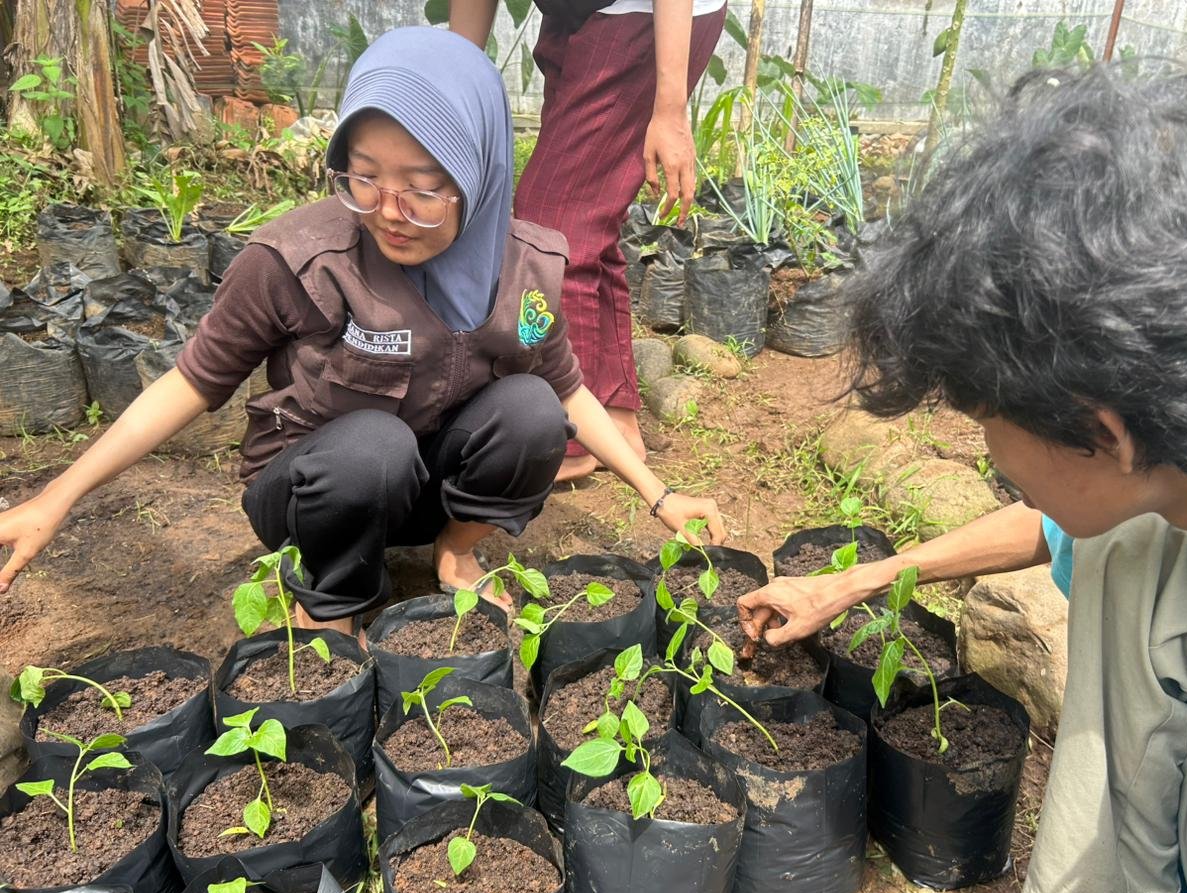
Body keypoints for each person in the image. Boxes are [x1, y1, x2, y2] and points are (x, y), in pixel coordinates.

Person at [738, 65, 1187, 893]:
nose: (991, 455)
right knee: (1132, 550)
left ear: (1099, 433)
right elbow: (1057, 525)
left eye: (986, 421)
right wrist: (853, 581)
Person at [0, 26, 724, 638]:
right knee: (373, 445)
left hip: (422, 488)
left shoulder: (525, 266)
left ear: (480, 170)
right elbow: (190, 383)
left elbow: (567, 392)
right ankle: (334, 597)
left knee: (532, 410)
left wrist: (660, 496)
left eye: (424, 183)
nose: (389, 209)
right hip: (319, 489)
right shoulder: (296, 258)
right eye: (365, 176)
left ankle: (455, 555)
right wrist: (54, 498)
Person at [450, 0, 727, 481]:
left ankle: (571, 439)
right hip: (586, 13)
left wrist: (670, 110)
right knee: (585, 216)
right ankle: (614, 419)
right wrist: (455, 87)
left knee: (552, 226)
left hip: (649, 18)